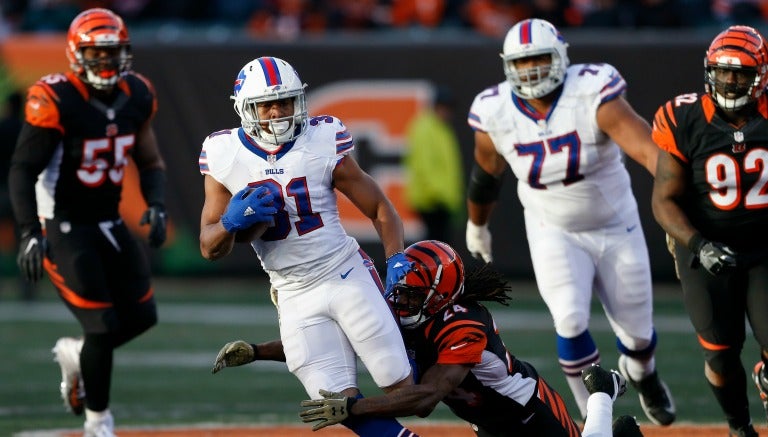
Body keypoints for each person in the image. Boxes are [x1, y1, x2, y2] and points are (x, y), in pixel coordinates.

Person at [464, 17, 675, 425]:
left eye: (539, 59)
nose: (532, 71)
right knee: (570, 318)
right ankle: (591, 415)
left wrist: (673, 206)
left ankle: (644, 375)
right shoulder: (494, 111)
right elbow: (485, 177)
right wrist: (478, 225)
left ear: (561, 57)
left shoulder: (593, 92)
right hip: (552, 229)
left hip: (616, 226)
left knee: (638, 337)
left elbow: (648, 151)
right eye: (522, 64)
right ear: (507, 65)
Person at [213, 240, 644, 437]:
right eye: (397, 292)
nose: (398, 303)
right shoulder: (408, 309)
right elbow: (338, 338)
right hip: (486, 420)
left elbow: (426, 398)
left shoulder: (463, 325)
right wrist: (257, 351)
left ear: (439, 294)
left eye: (411, 295)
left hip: (527, 414)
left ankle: (602, 393)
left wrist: (354, 406)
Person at [198, 56, 418, 437]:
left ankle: (464, 373)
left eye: (286, 101)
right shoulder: (224, 154)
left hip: (343, 271)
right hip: (292, 291)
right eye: (268, 103)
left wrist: (396, 256)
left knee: (403, 388)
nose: (279, 111)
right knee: (333, 402)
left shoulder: (321, 137)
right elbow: (209, 246)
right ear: (246, 109)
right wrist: (230, 223)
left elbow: (379, 206)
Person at [7, 8, 168, 437]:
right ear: (77, 56)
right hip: (61, 222)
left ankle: (79, 354)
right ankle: (98, 422)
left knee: (141, 316)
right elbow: (22, 169)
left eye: (114, 53)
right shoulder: (56, 97)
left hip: (107, 219)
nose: (107, 63)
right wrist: (28, 232)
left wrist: (156, 204)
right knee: (101, 324)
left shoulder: (136, 93)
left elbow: (150, 160)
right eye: (97, 54)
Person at [651, 24, 768, 437]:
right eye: (722, 71)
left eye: (740, 72)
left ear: (761, 76)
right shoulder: (684, 117)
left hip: (763, 247)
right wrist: (699, 245)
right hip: (704, 246)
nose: (731, 80)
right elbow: (663, 200)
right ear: (708, 71)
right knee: (720, 353)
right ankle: (739, 427)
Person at [403, 85, 464, 244]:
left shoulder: (441, 129)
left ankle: (431, 269)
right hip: (431, 200)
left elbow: (447, 167)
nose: (448, 112)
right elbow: (425, 166)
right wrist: (440, 194)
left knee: (438, 244)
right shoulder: (426, 128)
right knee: (434, 246)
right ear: (436, 107)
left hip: (441, 199)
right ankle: (425, 269)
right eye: (445, 107)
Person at [0, 90, 35, 301]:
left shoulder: (2, 128)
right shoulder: (26, 130)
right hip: (21, 194)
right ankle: (26, 288)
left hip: (1, 188)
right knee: (24, 240)